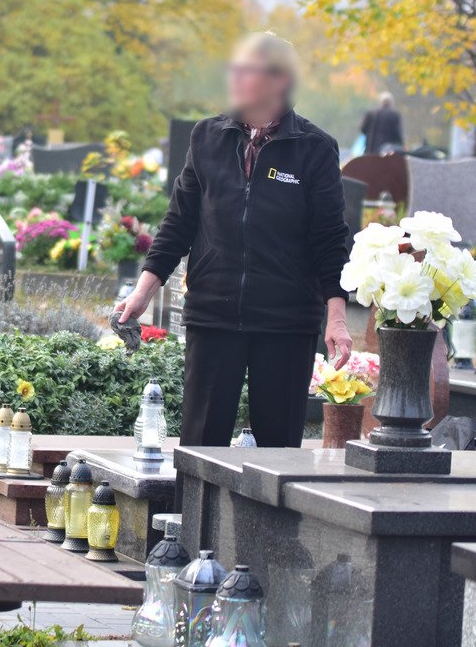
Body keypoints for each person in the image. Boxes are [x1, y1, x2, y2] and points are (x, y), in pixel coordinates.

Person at [115, 31, 353, 454]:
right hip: (214, 316)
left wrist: (336, 318)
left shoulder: (314, 149)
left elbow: (330, 240)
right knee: (200, 449)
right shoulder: (207, 137)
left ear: (279, 80)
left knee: (277, 457)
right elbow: (179, 223)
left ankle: (269, 525)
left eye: (246, 70)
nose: (235, 78)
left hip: (286, 323)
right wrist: (142, 292)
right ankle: (195, 523)